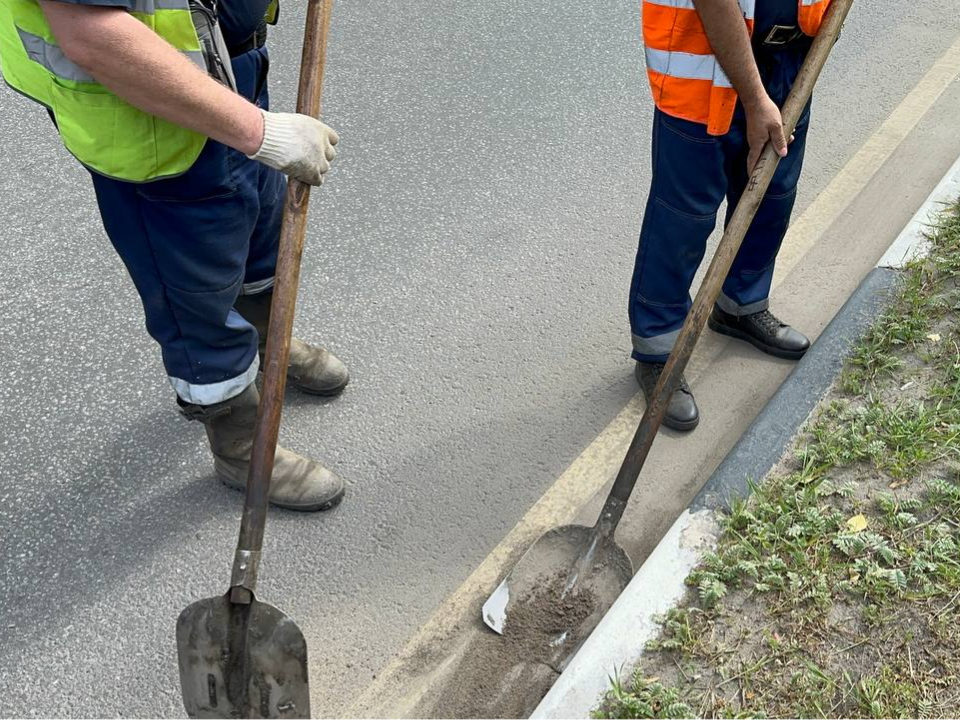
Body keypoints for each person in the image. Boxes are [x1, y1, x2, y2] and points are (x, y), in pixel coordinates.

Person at [0, 0, 348, 510]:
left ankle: (268, 346)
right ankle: (240, 447)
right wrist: (260, 133)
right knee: (196, 304)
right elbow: (94, 35)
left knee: (258, 244)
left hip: (233, 74)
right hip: (150, 119)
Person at [629, 0, 832, 431]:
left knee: (772, 196)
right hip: (705, 66)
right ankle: (659, 351)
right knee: (683, 219)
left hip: (791, 60)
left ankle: (741, 305)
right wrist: (757, 101)